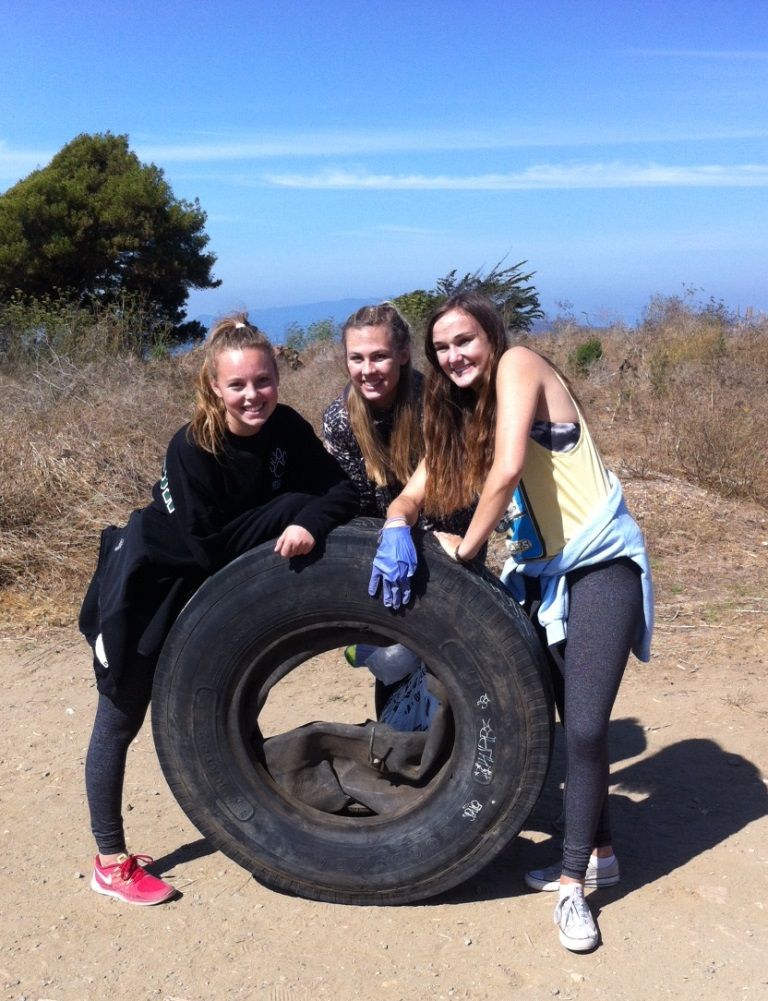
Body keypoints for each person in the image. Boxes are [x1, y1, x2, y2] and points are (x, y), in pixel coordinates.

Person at [368, 292, 653, 952]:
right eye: (441, 348)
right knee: (570, 724)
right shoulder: (469, 408)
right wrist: (395, 522)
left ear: (491, 336)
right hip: (549, 576)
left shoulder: (520, 364)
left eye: (463, 340)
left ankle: (573, 885)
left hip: (601, 562)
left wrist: (465, 550)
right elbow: (423, 481)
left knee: (583, 725)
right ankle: (600, 850)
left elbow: (507, 469)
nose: (453, 355)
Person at [79, 314, 358, 906]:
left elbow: (341, 490)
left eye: (263, 381)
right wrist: (290, 507)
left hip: (217, 590)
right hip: (152, 586)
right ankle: (109, 860)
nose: (253, 395)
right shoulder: (192, 446)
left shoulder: (286, 428)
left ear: (277, 380)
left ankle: (256, 819)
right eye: (238, 386)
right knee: (120, 718)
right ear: (214, 388)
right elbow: (208, 549)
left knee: (227, 699)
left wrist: (307, 518)